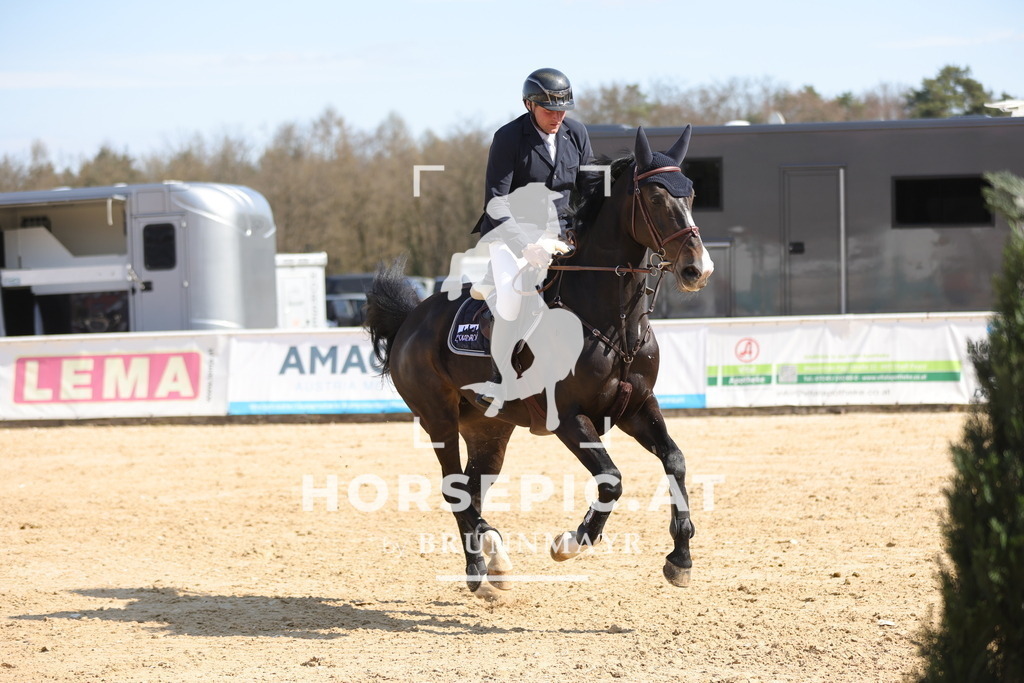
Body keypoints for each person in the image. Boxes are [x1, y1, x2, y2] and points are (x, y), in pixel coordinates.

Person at [462, 67, 600, 412]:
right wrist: (526, 245)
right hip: (512, 233)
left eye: (562, 110)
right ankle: (499, 379)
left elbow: (589, 189)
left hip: (562, 233)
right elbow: (496, 202)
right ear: (529, 105)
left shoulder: (576, 133)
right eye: (549, 110)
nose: (557, 117)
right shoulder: (509, 138)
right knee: (511, 303)